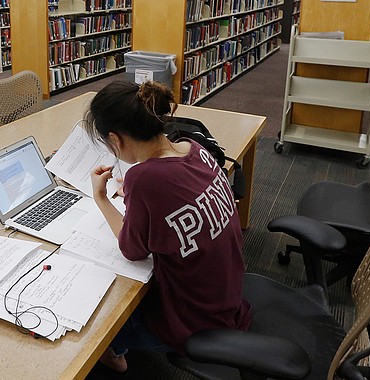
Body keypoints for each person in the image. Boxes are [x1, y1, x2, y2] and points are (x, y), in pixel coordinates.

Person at [85, 80, 251, 373]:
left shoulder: (145, 180)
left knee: (100, 316)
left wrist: (101, 198)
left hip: (195, 321)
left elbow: (131, 250)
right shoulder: (194, 147)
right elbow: (176, 193)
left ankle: (116, 354)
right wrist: (141, 196)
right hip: (226, 295)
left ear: (115, 139)